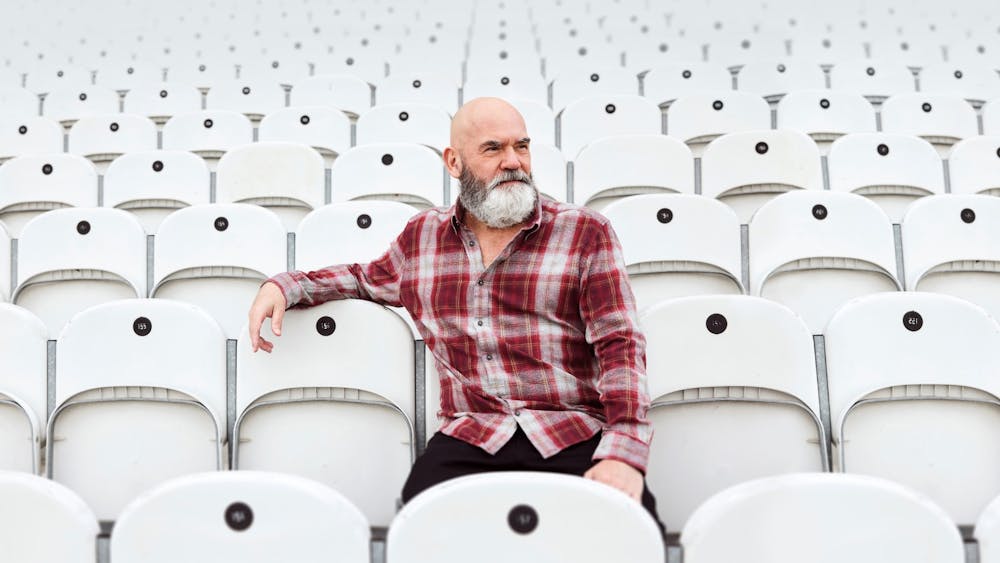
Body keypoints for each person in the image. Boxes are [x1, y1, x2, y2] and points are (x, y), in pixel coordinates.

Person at [248, 97, 664, 532]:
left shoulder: (585, 232)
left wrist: (622, 454)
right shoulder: (422, 237)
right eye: (493, 149)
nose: (513, 162)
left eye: (521, 147)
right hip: (471, 436)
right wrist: (284, 285)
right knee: (417, 526)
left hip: (571, 433)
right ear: (454, 161)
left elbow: (620, 344)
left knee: (632, 530)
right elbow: (362, 279)